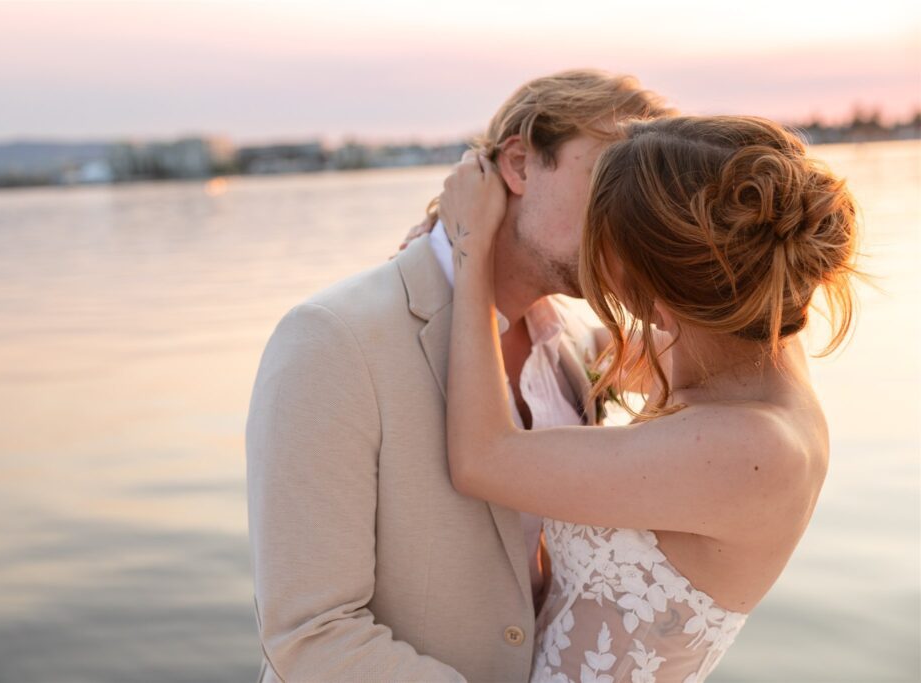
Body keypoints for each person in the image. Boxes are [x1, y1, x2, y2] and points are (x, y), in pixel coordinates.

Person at [245, 70, 674, 681]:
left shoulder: (575, 341)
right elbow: (309, 635)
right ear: (520, 165)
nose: (628, 218)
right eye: (611, 182)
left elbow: (718, 369)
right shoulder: (332, 339)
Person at [436, 114, 861, 681]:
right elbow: (598, 355)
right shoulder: (746, 351)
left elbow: (482, 459)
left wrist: (470, 249)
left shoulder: (753, 448)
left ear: (658, 302)